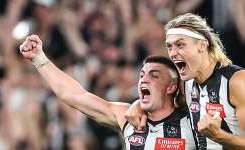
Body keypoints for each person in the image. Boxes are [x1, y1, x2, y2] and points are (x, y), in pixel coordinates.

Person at [19, 35, 196, 150]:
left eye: (154, 75)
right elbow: (75, 96)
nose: (144, 79)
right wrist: (39, 59)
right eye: (142, 75)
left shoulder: (193, 121)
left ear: (171, 87)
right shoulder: (126, 118)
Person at [125, 13, 245, 150]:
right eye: (169, 46)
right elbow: (166, 103)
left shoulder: (237, 82)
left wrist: (219, 136)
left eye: (180, 45)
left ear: (202, 45)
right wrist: (139, 104)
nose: (173, 53)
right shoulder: (187, 84)